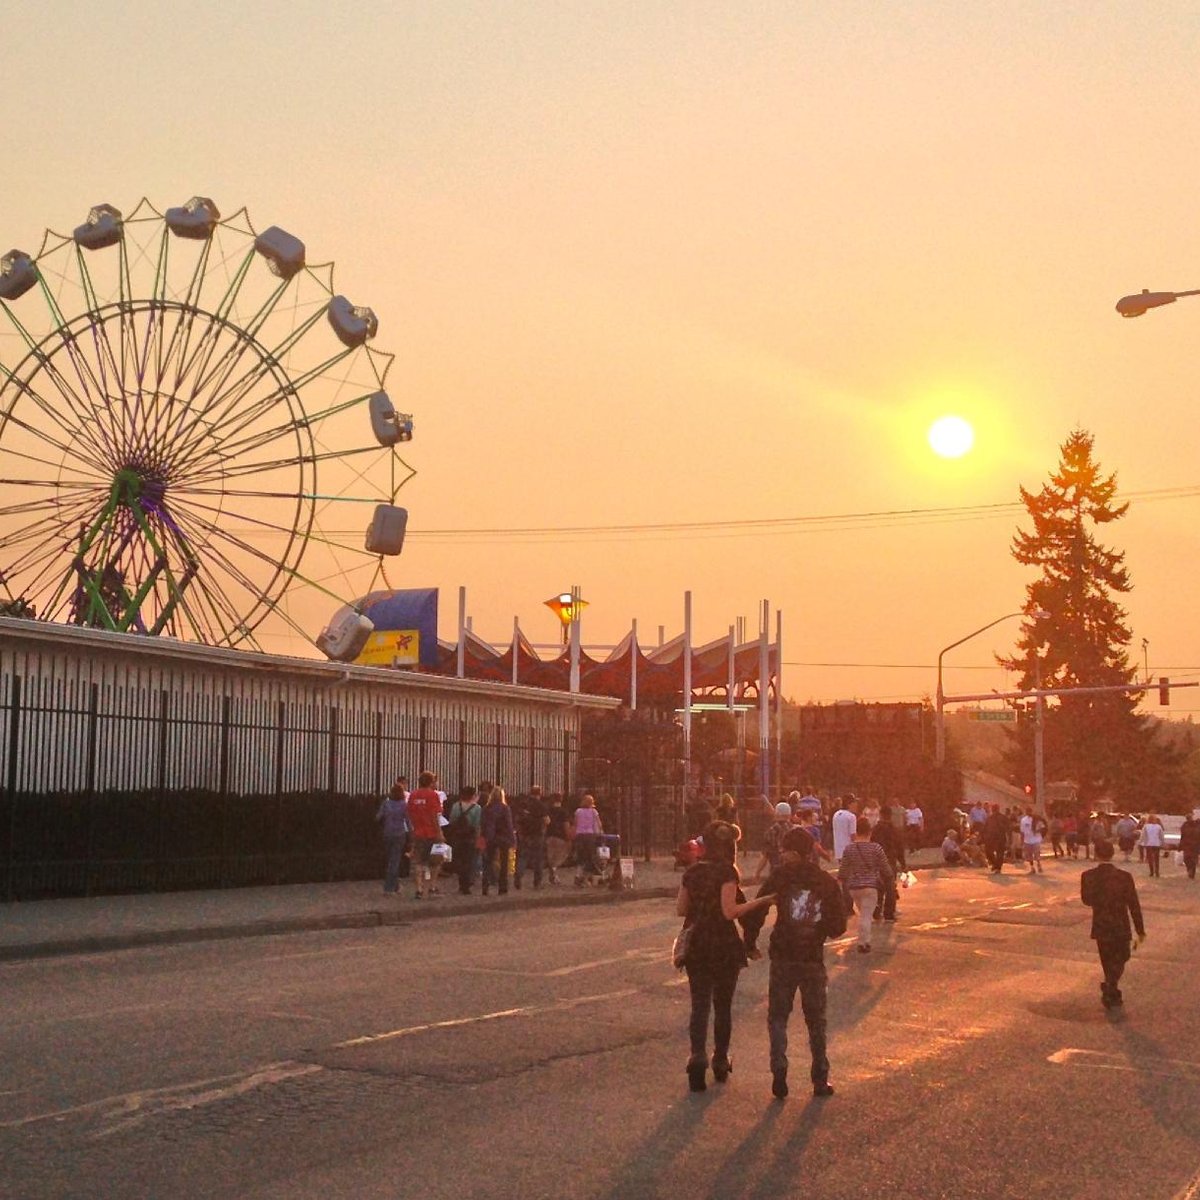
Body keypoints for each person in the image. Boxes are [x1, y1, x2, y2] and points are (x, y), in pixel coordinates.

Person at [743, 827, 846, 1099]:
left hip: (783, 956)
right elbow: (838, 926)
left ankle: (779, 1069)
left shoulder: (780, 876)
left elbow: (758, 907)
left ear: (791, 851)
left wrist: (750, 941)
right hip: (811, 957)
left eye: (785, 849)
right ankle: (820, 1079)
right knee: (816, 1020)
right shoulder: (825, 881)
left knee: (778, 1016)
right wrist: (819, 928)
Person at [675, 821, 772, 1092]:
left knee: (699, 1005)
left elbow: (681, 909)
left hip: (696, 944)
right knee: (723, 1006)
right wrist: (760, 902)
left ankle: (696, 1056)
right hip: (723, 944)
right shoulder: (727, 872)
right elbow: (730, 911)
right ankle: (719, 1059)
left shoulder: (692, 872)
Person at [1081, 838, 1146, 1009]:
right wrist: (1140, 929)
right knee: (1123, 955)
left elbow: (1086, 900)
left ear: (1096, 855)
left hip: (1101, 922)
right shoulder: (1124, 877)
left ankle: (1110, 985)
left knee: (1107, 958)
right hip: (1120, 923)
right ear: (1112, 854)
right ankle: (1111, 986)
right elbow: (1133, 903)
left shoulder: (1088, 876)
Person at [838, 818, 893, 954]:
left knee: (863, 913)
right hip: (870, 886)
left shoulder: (849, 849)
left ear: (856, 831)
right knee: (866, 915)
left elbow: (843, 870)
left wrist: (841, 882)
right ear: (870, 831)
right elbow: (886, 869)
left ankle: (863, 939)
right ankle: (864, 942)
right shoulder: (876, 848)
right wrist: (889, 879)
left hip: (854, 887)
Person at [405, 770, 446, 899]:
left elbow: (409, 813)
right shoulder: (432, 795)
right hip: (432, 833)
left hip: (418, 832)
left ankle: (419, 889)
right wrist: (439, 832)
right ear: (431, 782)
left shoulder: (413, 795)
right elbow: (435, 815)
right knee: (436, 860)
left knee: (418, 861)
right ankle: (432, 887)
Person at [446, 785, 483, 894]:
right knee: (470, 860)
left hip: (458, 836)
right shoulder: (477, 808)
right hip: (470, 837)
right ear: (472, 795)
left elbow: (451, 820)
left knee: (460, 860)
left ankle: (461, 883)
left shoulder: (456, 806)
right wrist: (478, 838)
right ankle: (467, 884)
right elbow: (477, 825)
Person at [870, 805, 905, 921]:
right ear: (890, 816)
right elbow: (899, 847)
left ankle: (876, 911)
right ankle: (889, 913)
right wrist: (903, 864)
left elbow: (871, 845)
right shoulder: (894, 829)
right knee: (890, 888)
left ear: (881, 815)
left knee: (878, 887)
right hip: (890, 860)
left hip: (877, 861)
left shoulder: (875, 829)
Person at [481, 785, 516, 895]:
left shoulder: (486, 809)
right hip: (503, 838)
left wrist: (481, 841)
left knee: (488, 862)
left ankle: (485, 885)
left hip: (489, 838)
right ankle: (503, 887)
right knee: (504, 863)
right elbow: (509, 825)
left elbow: (482, 825)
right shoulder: (505, 808)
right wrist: (513, 839)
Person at [376, 781, 409, 895]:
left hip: (387, 832)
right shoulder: (404, 805)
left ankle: (395, 886)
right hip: (399, 833)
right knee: (395, 860)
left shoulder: (386, 803)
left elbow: (378, 817)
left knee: (390, 859)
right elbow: (408, 820)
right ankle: (389, 888)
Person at [514, 785, 548, 890]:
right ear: (540, 793)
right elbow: (546, 820)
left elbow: (518, 819)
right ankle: (537, 882)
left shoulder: (524, 804)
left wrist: (521, 833)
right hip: (537, 834)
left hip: (525, 834)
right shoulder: (541, 805)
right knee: (538, 859)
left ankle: (518, 875)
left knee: (523, 856)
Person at [755, 801, 793, 882]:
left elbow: (766, 855)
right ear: (789, 814)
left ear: (776, 813)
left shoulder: (771, 831)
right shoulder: (794, 829)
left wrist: (758, 872)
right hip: (792, 870)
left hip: (776, 869)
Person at [571, 793, 604, 885]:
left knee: (581, 856)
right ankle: (586, 877)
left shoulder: (578, 811)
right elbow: (598, 824)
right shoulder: (594, 812)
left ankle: (578, 875)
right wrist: (600, 832)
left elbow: (575, 824)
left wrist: (573, 834)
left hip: (580, 835)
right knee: (590, 856)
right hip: (590, 835)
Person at [544, 793, 572, 884]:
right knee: (559, 857)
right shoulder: (564, 812)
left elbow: (545, 823)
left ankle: (553, 874)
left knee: (550, 857)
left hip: (549, 835)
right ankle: (554, 873)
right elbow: (566, 825)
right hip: (561, 837)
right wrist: (568, 837)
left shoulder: (548, 811)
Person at [982, 804, 1009, 874]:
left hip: (1000, 837)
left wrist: (1008, 837)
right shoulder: (990, 818)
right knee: (988, 852)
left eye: (995, 809)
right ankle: (995, 864)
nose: (994, 810)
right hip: (991, 838)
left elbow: (1008, 827)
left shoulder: (1003, 817)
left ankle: (998, 867)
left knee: (1000, 853)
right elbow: (985, 828)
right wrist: (983, 836)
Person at [831, 797, 857, 861]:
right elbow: (853, 835)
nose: (856, 805)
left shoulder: (836, 814)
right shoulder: (851, 816)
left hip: (838, 850)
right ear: (849, 804)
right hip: (849, 850)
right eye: (854, 803)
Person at [1020, 806, 1044, 875]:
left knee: (1037, 854)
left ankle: (1039, 865)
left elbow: (1042, 828)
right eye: (1027, 811)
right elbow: (1022, 831)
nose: (1029, 812)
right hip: (1027, 840)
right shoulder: (1023, 820)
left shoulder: (1037, 819)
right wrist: (1022, 841)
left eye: (1030, 811)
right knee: (1029, 855)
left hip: (1036, 840)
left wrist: (1037, 831)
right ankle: (1032, 868)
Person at [1141, 813, 1165, 878]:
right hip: (1156, 844)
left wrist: (1142, 842)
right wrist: (1163, 843)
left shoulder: (1146, 826)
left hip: (1149, 844)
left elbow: (1143, 835)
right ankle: (1157, 872)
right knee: (1156, 859)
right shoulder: (1158, 827)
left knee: (1150, 859)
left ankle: (1151, 872)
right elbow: (1161, 836)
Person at [1181, 811, 1200, 881]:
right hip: (1188, 845)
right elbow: (1182, 835)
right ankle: (1190, 870)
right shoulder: (1184, 825)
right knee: (1187, 859)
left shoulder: (1197, 825)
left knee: (1193, 860)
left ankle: (1192, 873)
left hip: (1195, 845)